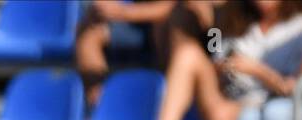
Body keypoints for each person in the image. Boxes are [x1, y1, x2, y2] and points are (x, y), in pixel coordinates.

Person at [122, 0, 302, 120]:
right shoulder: (238, 20)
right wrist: (211, 27)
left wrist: (257, 71)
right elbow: (216, 55)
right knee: (187, 53)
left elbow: (295, 87)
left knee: (234, 116)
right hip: (229, 98)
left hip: (267, 106)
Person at [77, 0, 219, 107]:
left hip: (196, 31)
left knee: (176, 22)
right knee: (89, 30)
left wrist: (125, 12)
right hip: (139, 26)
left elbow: (179, 6)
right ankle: (101, 107)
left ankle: (171, 97)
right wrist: (101, 7)